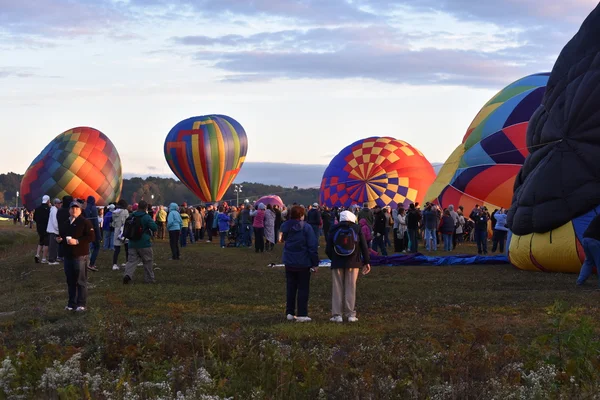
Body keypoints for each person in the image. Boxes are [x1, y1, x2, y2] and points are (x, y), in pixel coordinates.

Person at [326, 210, 371, 323]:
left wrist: (334, 258)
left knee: (337, 288)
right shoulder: (357, 228)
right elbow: (364, 247)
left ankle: (337, 315)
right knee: (351, 287)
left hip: (337, 262)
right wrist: (366, 261)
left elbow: (328, 249)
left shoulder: (334, 228)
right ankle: (351, 314)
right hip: (353, 262)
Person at [280, 205, 319, 322]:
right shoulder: (307, 228)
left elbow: (283, 239)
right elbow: (312, 247)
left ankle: (290, 312)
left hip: (289, 261)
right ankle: (302, 313)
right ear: (302, 215)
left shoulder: (285, 226)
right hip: (303, 262)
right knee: (303, 288)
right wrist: (315, 263)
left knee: (291, 287)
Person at [57, 201, 95, 312]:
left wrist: (77, 241)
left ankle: (81, 304)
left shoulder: (85, 222)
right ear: (69, 210)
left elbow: (91, 237)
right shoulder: (65, 223)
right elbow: (62, 237)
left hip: (80, 255)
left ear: (80, 210)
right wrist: (59, 240)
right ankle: (71, 303)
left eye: (76, 208)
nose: (74, 210)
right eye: (72, 208)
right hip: (68, 256)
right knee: (70, 281)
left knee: (80, 280)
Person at [123, 201, 158, 284]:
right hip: (144, 243)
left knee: (131, 261)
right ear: (146, 208)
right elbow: (154, 227)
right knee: (148, 261)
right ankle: (149, 279)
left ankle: (127, 275)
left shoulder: (131, 216)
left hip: (132, 242)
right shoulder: (146, 217)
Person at [576, 213, 600, 287]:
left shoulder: (597, 216)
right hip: (594, 241)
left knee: (588, 261)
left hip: (585, 239)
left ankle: (580, 281)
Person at [111, 199, 130, 270]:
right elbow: (127, 221)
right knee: (127, 249)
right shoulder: (125, 212)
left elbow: (113, 223)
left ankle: (114, 264)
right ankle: (128, 262)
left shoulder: (114, 212)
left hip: (117, 231)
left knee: (117, 250)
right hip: (124, 231)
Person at [84, 196, 101, 271]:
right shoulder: (94, 209)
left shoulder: (86, 209)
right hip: (93, 230)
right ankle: (91, 264)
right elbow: (96, 223)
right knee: (96, 247)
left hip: (87, 230)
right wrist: (99, 234)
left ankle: (86, 263)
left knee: (87, 247)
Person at [34, 195, 51, 264]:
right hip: (46, 227)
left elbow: (34, 218)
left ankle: (37, 255)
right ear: (48, 201)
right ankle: (44, 258)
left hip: (39, 228)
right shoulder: (48, 209)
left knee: (41, 241)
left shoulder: (37, 208)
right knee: (46, 243)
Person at [46, 198, 61, 265]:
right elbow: (55, 222)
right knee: (53, 246)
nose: (59, 204)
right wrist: (58, 229)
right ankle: (51, 260)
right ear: (55, 204)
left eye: (60, 203)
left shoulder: (54, 210)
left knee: (54, 246)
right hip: (53, 231)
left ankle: (53, 259)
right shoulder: (54, 211)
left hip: (53, 230)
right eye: (58, 203)